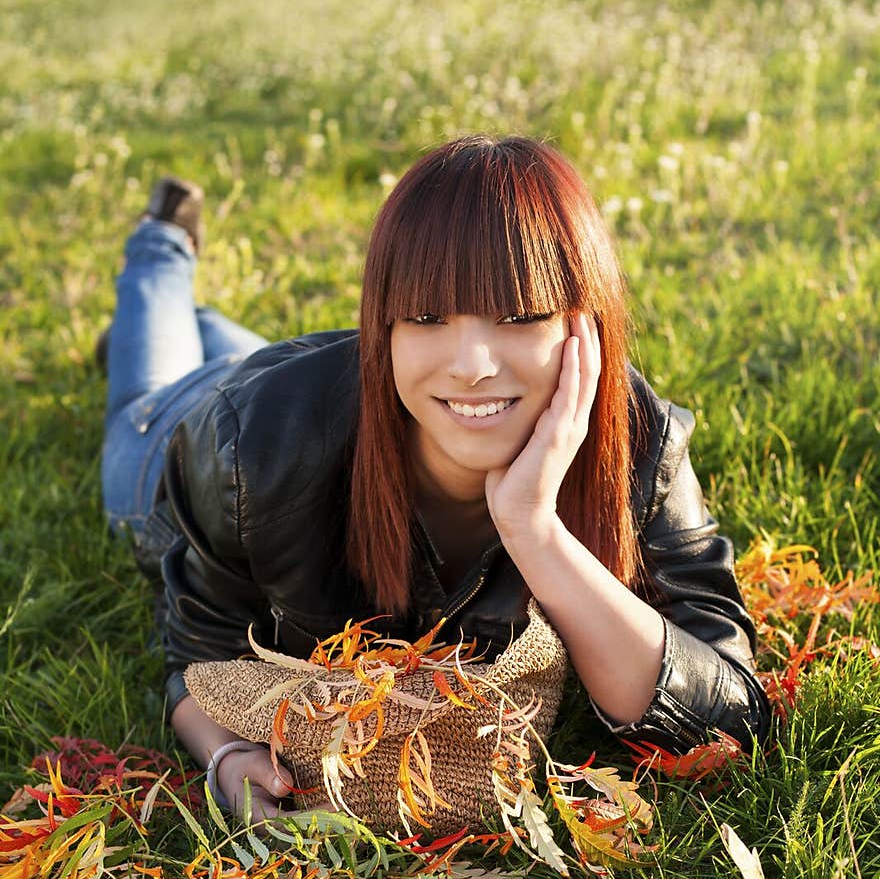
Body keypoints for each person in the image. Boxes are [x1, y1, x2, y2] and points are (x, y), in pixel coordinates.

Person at [99, 135, 771, 823]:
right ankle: (161, 246)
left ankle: (209, 321)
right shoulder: (250, 445)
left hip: (301, 376)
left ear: (584, 320)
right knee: (144, 387)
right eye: (425, 317)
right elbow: (195, 654)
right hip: (179, 430)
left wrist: (536, 531)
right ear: (384, 326)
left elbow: (726, 717)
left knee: (247, 356)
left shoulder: (636, 438)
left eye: (518, 316)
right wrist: (227, 759)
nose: (472, 362)